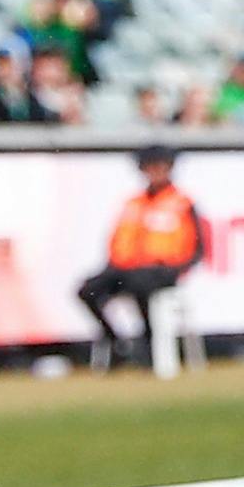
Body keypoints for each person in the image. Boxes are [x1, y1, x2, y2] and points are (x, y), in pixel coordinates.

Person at [73, 147, 207, 371]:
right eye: (149, 167)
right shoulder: (134, 203)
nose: (154, 172)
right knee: (88, 290)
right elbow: (118, 240)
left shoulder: (182, 203)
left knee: (140, 286)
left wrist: (176, 269)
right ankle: (115, 340)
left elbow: (197, 246)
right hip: (126, 268)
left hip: (161, 270)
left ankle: (149, 345)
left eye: (159, 166)